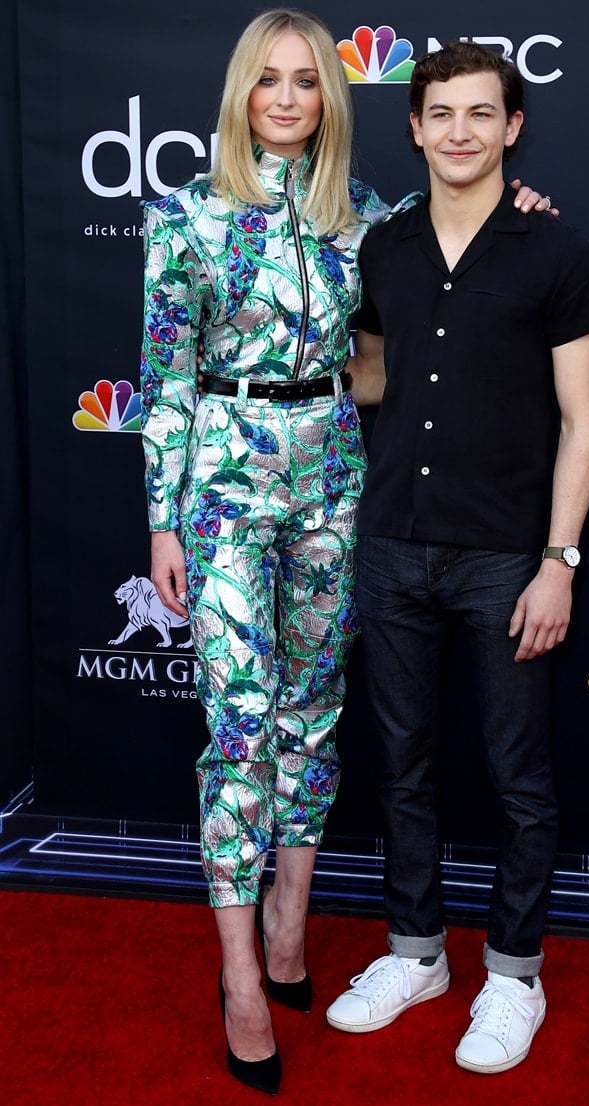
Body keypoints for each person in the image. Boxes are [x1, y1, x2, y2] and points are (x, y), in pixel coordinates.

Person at [140, 9, 552, 1094]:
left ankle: (289, 926)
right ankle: (239, 978)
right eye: (267, 80)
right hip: (223, 485)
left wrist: (521, 207)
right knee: (237, 726)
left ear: (331, 96)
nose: (285, 98)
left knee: (311, 716)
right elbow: (166, 379)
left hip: (336, 482)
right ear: (242, 93)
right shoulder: (182, 218)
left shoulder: (369, 218)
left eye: (306, 81)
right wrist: (163, 518)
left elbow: (448, 268)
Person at [326, 41, 589, 1076]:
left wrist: (558, 560)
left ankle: (511, 972)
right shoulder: (383, 250)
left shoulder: (554, 252)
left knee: (516, 777)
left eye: (478, 114)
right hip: (393, 546)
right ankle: (416, 954)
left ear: (511, 126)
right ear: (412, 126)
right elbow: (369, 380)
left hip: (506, 559)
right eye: (439, 112)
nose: (458, 130)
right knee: (401, 769)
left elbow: (583, 424)